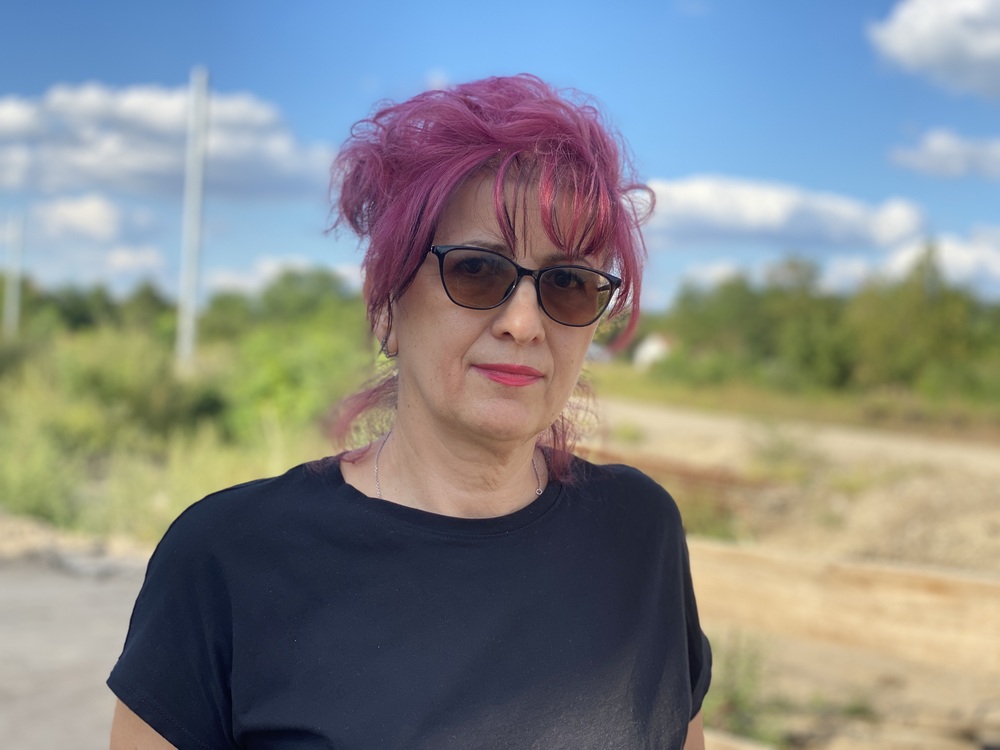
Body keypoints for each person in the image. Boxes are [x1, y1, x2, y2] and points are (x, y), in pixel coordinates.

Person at [108, 74, 711, 749]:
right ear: (387, 306)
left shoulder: (640, 536)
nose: (523, 323)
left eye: (568, 283)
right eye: (477, 270)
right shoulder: (225, 558)